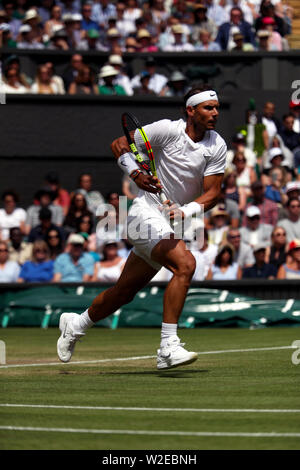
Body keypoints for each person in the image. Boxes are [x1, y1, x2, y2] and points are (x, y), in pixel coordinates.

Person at [56, 85, 227, 370]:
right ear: (191, 111)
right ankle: (167, 347)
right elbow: (118, 145)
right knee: (185, 265)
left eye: (217, 107)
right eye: (208, 108)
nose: (215, 113)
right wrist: (135, 173)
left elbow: (212, 194)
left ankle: (75, 324)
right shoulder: (166, 130)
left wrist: (183, 211)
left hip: (169, 223)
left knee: (124, 292)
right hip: (142, 214)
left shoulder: (217, 145)